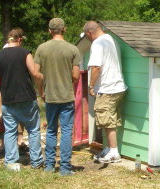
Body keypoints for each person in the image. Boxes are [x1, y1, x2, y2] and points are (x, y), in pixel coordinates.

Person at [0, 27, 44, 171]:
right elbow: (35, 74)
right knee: (33, 130)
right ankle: (36, 162)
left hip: (8, 100)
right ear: (20, 39)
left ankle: (11, 162)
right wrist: (41, 87)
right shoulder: (25, 53)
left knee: (10, 131)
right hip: (27, 98)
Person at [34, 18, 81, 176]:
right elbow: (76, 75)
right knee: (67, 131)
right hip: (66, 96)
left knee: (51, 130)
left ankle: (49, 166)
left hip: (50, 96)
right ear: (64, 29)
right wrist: (68, 83)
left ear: (49, 31)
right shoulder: (73, 49)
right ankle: (65, 168)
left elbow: (36, 74)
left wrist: (41, 91)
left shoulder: (41, 49)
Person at [83, 21, 127, 163]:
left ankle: (114, 152)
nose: (88, 39)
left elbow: (96, 67)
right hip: (118, 87)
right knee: (110, 119)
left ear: (90, 33)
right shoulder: (111, 39)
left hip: (107, 88)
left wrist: (91, 86)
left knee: (107, 121)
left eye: (87, 36)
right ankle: (108, 149)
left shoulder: (98, 43)